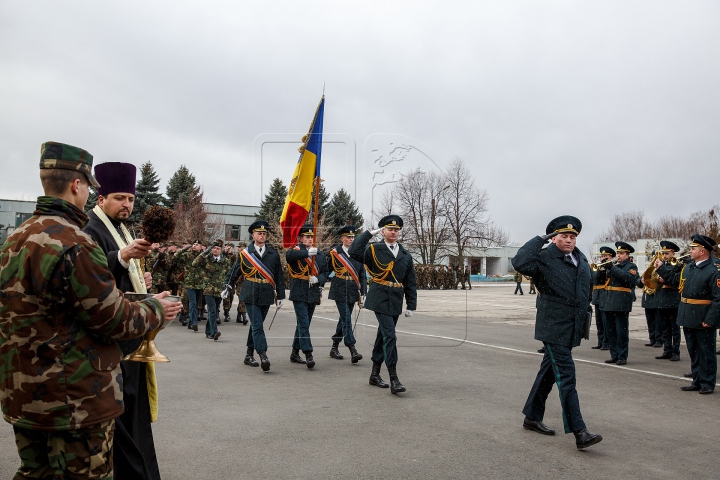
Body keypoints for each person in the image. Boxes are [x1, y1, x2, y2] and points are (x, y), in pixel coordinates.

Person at [1, 142, 180, 479]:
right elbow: (114, 319)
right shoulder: (75, 242)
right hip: (73, 399)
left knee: (35, 473)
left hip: (23, 394)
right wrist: (156, 308)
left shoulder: (17, 237)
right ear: (77, 185)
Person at [83, 161, 166, 480]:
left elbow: (116, 277)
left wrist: (138, 279)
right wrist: (123, 258)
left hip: (131, 342)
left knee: (135, 420)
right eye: (119, 198)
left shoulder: (120, 229)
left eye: (130, 199)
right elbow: (89, 276)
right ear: (101, 198)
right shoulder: (91, 228)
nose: (127, 204)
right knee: (121, 425)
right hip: (111, 346)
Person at [511, 215, 602, 450]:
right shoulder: (543, 258)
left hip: (572, 326)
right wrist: (538, 240)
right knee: (566, 376)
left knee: (549, 373)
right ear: (554, 238)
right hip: (553, 326)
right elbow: (519, 263)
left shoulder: (579, 257)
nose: (569, 240)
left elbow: (585, 287)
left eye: (572, 236)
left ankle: (532, 416)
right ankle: (580, 431)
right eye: (564, 236)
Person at [349, 215, 417, 394]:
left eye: (396, 230)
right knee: (390, 336)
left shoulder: (405, 254)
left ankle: (374, 374)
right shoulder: (374, 249)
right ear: (383, 231)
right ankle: (394, 378)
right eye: (390, 229)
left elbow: (410, 281)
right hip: (379, 297)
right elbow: (354, 251)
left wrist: (411, 305)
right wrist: (367, 234)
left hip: (395, 299)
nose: (393, 232)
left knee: (383, 336)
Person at [656, 234, 719, 394]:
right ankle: (697, 380)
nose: (690, 251)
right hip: (688, 315)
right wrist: (661, 268)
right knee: (694, 351)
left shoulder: (714, 271)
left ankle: (707, 383)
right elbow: (675, 280)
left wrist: (710, 319)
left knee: (706, 352)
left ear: (703, 251)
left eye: (693, 248)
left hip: (703, 316)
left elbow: (718, 299)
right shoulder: (689, 267)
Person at [225, 220, 285, 371]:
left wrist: (281, 296)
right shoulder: (245, 253)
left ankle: (248, 354)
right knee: (257, 326)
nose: (262, 236)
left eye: (264, 234)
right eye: (259, 233)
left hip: (266, 293)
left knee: (256, 326)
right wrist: (227, 285)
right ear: (253, 235)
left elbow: (279, 276)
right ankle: (263, 354)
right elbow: (234, 271)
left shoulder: (273, 254)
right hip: (250, 292)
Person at [286, 224, 329, 367]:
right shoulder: (296, 251)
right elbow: (289, 256)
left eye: (312, 237)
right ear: (301, 238)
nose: (310, 239)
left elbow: (325, 272)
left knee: (303, 324)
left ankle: (294, 352)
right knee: (304, 323)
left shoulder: (320, 255)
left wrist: (319, 279)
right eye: (307, 237)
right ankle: (308, 353)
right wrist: (307, 254)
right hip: (299, 291)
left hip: (313, 292)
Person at [328, 225, 367, 363]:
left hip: (352, 289)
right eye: (348, 237)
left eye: (352, 237)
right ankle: (352, 349)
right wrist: (318, 284)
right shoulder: (335, 253)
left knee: (343, 320)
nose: (351, 239)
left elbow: (362, 274)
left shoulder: (358, 252)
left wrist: (363, 292)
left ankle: (334, 346)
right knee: (347, 320)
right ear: (342, 239)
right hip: (339, 288)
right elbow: (325, 270)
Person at [600, 242, 639, 366]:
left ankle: (622, 356)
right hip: (609, 301)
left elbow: (630, 279)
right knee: (610, 331)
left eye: (621, 253)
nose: (618, 255)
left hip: (621, 302)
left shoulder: (631, 266)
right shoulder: (613, 266)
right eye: (617, 253)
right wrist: (603, 269)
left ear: (627, 255)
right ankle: (614, 355)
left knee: (621, 331)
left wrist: (612, 268)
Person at [193, 240, 232, 340]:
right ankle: (214, 332)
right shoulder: (207, 259)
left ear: (221, 250)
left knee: (213, 311)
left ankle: (208, 331)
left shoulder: (225, 261)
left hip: (220, 290)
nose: (215, 250)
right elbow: (195, 263)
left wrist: (227, 287)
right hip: (208, 289)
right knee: (212, 310)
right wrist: (205, 252)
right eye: (214, 248)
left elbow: (228, 275)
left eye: (217, 248)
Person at [653, 241, 682, 361]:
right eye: (663, 253)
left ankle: (675, 351)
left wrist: (663, 279)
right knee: (664, 328)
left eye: (667, 253)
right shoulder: (660, 264)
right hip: (661, 299)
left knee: (674, 328)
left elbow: (674, 280)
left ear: (673, 253)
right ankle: (667, 350)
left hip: (673, 299)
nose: (664, 256)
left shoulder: (677, 264)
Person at [175, 241, 204, 332]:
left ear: (201, 247)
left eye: (197, 245)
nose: (194, 246)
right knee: (193, 303)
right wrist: (183, 249)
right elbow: (175, 257)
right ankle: (194, 323)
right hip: (189, 283)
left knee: (196, 303)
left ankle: (191, 322)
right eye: (194, 244)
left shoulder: (203, 257)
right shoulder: (187, 255)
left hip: (200, 283)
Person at [591, 247, 614, 350]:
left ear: (610, 257)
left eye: (606, 256)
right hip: (597, 296)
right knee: (599, 321)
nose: (603, 258)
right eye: (602, 256)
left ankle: (607, 342)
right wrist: (600, 269)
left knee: (606, 322)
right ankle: (600, 341)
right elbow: (594, 279)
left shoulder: (612, 267)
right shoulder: (600, 267)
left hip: (606, 295)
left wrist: (608, 266)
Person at [638, 250, 662, 348]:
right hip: (648, 297)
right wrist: (641, 280)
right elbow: (638, 282)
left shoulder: (661, 269)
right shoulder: (649, 269)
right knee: (650, 320)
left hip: (656, 296)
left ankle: (659, 340)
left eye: (656, 258)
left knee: (658, 321)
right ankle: (652, 339)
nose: (654, 260)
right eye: (653, 258)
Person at [222, 242, 237, 322]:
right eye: (227, 246)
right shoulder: (222, 255)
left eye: (230, 247)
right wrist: (225, 252)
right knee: (225, 296)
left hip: (231, 279)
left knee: (231, 296)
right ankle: (226, 313)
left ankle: (228, 309)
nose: (228, 248)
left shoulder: (234, 257)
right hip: (222, 279)